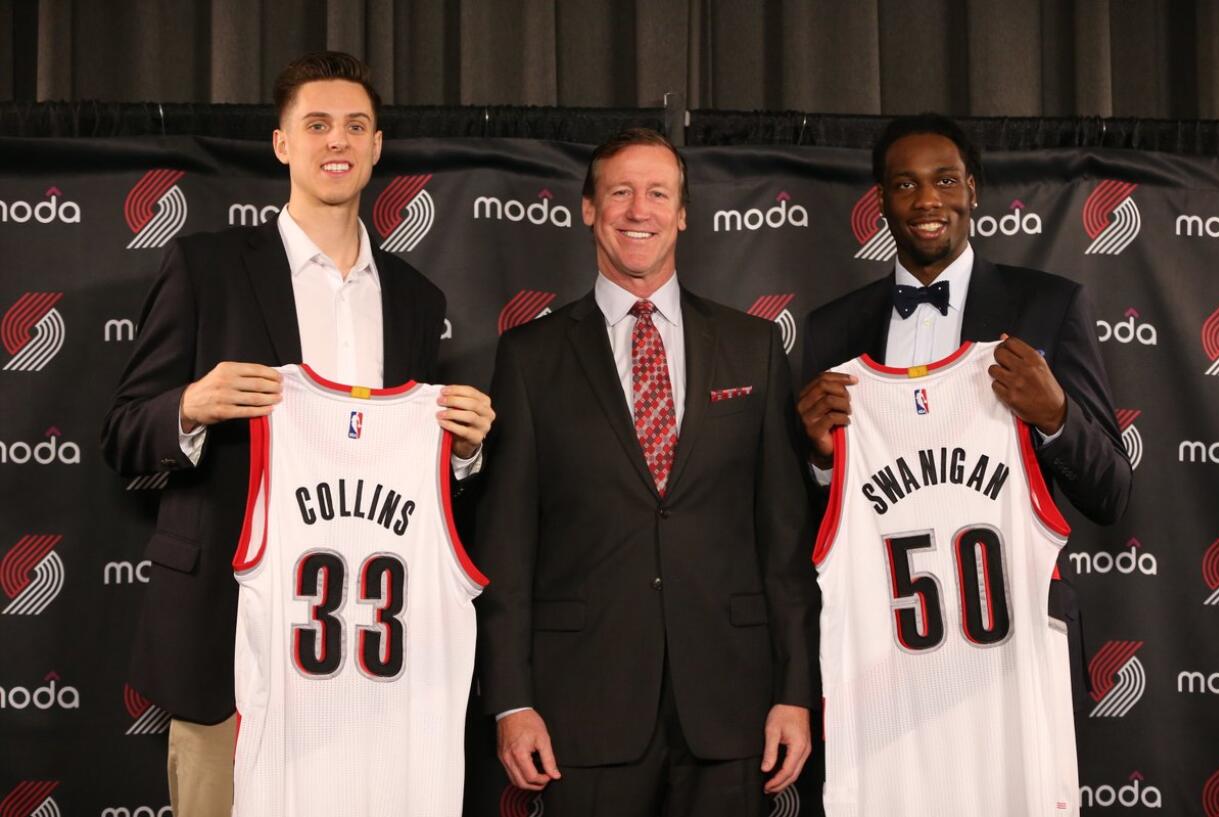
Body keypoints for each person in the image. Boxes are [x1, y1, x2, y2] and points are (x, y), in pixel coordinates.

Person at [100, 51, 493, 817]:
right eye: (315, 124)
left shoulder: (416, 298)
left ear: (378, 146)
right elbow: (121, 432)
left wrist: (465, 450)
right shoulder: (203, 267)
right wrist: (191, 405)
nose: (336, 141)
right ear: (282, 143)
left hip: (367, 659)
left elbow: (410, 480)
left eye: (354, 125)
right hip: (226, 642)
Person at [474, 128, 818, 817]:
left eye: (658, 193)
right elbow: (504, 548)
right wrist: (511, 698)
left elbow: (784, 541)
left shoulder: (753, 348)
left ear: (684, 212)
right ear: (588, 209)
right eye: (621, 192)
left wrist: (796, 691)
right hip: (583, 706)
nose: (640, 210)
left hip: (730, 705)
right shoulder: (529, 357)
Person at [798, 112, 1130, 527]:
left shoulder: (1050, 306)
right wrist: (823, 462)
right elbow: (803, 523)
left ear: (971, 191)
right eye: (905, 184)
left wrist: (1056, 417)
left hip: (1015, 590)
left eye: (945, 180)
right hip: (883, 588)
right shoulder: (830, 330)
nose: (927, 200)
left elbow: (1111, 495)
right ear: (880, 199)